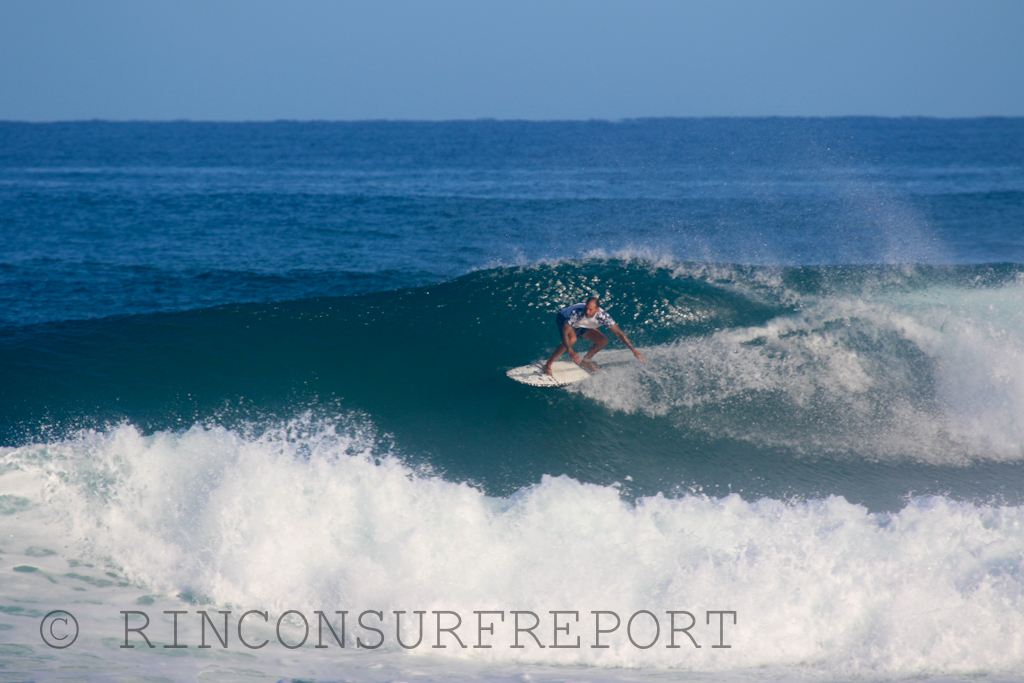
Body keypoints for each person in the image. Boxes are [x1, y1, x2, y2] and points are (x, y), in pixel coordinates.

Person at [544, 297, 645, 376]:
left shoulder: (603, 317)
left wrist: (634, 351)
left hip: (582, 324)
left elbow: (619, 334)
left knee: (602, 341)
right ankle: (548, 364)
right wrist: (571, 351)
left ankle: (585, 361)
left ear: (597, 310)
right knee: (572, 338)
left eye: (590, 310)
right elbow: (564, 333)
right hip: (564, 319)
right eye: (586, 308)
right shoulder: (577, 313)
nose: (587, 312)